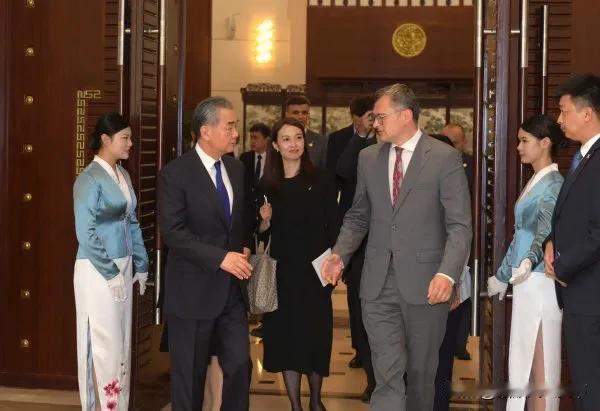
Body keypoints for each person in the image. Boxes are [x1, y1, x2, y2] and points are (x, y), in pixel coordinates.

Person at [322, 83, 472, 411]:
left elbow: (459, 225)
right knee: (386, 374)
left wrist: (448, 274)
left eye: (381, 117)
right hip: (377, 284)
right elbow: (358, 215)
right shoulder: (368, 158)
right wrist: (339, 254)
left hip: (426, 283)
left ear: (405, 115)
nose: (375, 123)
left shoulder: (444, 157)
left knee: (421, 374)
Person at [158, 96, 253, 411]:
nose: (236, 134)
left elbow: (239, 222)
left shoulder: (236, 169)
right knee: (190, 379)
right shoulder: (176, 173)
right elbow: (173, 233)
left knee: (240, 365)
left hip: (231, 292)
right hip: (192, 292)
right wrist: (221, 258)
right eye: (230, 126)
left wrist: (245, 245)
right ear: (205, 131)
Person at [258, 117, 340, 411]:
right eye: (286, 139)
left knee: (315, 339)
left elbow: (335, 225)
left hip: (316, 274)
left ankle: (316, 400)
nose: (293, 144)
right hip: (282, 275)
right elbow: (260, 233)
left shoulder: (322, 179)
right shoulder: (268, 185)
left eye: (298, 138)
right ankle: (295, 405)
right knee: (286, 341)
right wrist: (264, 221)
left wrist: (336, 263)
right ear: (276, 146)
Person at [485, 114, 564, 410]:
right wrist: (503, 274)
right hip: (527, 280)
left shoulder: (553, 183)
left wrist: (528, 262)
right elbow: (522, 235)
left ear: (545, 143)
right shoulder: (536, 180)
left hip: (540, 280)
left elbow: (544, 233)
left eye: (524, 141)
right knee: (527, 363)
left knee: (540, 363)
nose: (518, 146)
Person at [73, 112, 149, 410]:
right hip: (96, 270)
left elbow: (132, 222)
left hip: (123, 265)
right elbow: (85, 232)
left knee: (120, 344)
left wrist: (141, 263)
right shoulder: (88, 179)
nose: (130, 143)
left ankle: (118, 406)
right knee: (103, 342)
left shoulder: (123, 175)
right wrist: (110, 272)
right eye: (125, 138)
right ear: (106, 139)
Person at [543, 74, 600, 411]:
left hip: (591, 293)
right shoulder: (584, 157)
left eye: (564, 111)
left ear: (587, 113)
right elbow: (574, 217)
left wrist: (564, 265)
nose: (560, 120)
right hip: (582, 291)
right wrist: (552, 241)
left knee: (591, 388)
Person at [333, 97, 377, 403]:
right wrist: (360, 137)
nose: (375, 122)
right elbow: (341, 172)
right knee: (360, 304)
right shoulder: (341, 140)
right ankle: (367, 366)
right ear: (356, 117)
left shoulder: (391, 141)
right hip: (357, 235)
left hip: (390, 238)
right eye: (370, 116)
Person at [284, 95, 328, 168]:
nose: (300, 117)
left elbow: (325, 171)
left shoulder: (321, 141)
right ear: (287, 115)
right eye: (295, 113)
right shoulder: (276, 139)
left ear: (308, 115)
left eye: (304, 113)